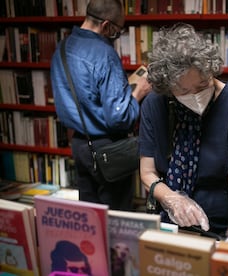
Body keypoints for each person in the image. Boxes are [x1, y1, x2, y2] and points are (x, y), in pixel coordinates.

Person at [139, 23, 228, 238]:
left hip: (218, 223)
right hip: (167, 220)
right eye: (183, 90)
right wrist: (172, 199)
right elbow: (147, 172)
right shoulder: (155, 103)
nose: (195, 95)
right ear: (168, 86)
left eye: (202, 86)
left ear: (210, 71)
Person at [50, 0, 151, 211]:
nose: (116, 36)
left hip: (79, 143)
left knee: (89, 218)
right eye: (117, 30)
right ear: (106, 26)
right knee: (116, 220)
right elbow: (120, 118)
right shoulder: (104, 54)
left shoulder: (62, 48)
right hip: (109, 148)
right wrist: (139, 92)